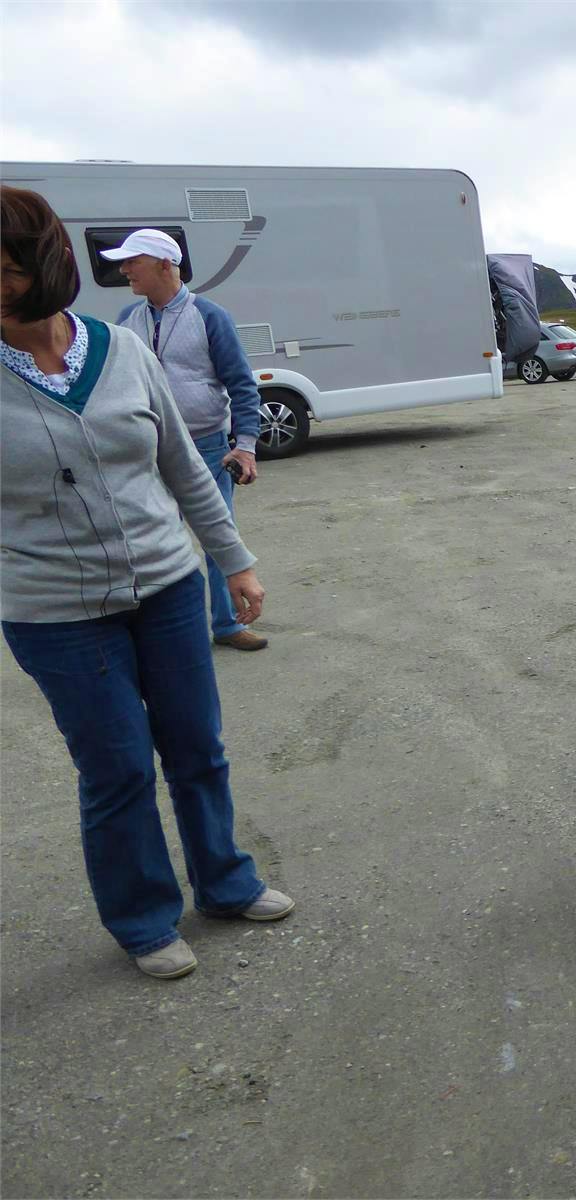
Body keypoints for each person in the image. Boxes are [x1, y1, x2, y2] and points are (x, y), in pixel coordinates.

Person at [0, 187, 295, 980]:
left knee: (197, 747)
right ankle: (141, 917)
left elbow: (182, 469)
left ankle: (226, 884)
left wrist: (234, 560)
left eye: (5, 271)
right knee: (118, 766)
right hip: (55, 613)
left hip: (168, 587)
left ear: (43, 267)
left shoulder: (119, 349)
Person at [101, 229, 269, 652]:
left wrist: (245, 445)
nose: (123, 270)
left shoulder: (209, 316)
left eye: (131, 261)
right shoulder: (127, 319)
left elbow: (241, 385)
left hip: (207, 447)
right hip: (148, 450)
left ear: (163, 264)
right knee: (153, 541)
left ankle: (227, 625)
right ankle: (168, 630)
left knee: (217, 537)